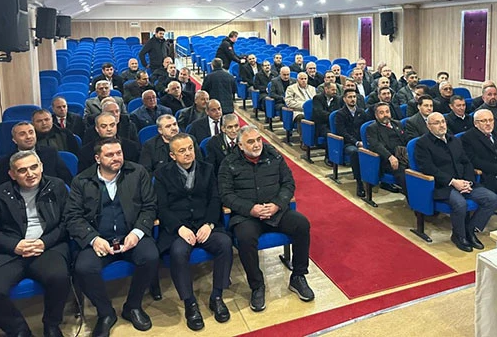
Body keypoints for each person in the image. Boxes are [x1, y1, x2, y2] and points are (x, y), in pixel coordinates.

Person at [66, 137, 159, 336]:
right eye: (109, 155)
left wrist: (137, 233)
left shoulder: (137, 172)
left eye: (119, 153)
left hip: (130, 234)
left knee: (150, 256)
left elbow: (149, 206)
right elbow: (73, 217)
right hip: (100, 239)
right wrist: (93, 239)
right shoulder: (81, 181)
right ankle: (105, 313)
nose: (116, 158)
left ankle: (133, 306)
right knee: (84, 268)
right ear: (97, 158)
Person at [219, 125, 314, 312]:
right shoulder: (229, 163)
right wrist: (251, 209)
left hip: (276, 210)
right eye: (250, 142)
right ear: (240, 145)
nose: (256, 145)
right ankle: (257, 286)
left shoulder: (274, 156)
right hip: (247, 216)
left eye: (258, 140)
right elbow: (225, 194)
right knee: (245, 237)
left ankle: (298, 276)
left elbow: (288, 183)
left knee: (302, 224)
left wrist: (277, 204)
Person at [0, 151, 70, 337]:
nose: (30, 173)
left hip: (47, 247)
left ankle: (51, 324)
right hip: (10, 251)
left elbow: (67, 222)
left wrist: (44, 242)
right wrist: (15, 245)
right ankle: (19, 330)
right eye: (22, 170)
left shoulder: (57, 186)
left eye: (34, 167)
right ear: (12, 174)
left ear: (41, 167)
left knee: (59, 278)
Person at [154, 133, 232, 331]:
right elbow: (162, 208)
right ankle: (190, 303)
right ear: (172, 155)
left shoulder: (207, 169)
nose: (188, 153)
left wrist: (209, 224)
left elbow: (215, 199)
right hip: (179, 228)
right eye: (182, 151)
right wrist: (179, 228)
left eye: (190, 148)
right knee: (178, 252)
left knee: (224, 243)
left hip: (204, 224)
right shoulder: (162, 174)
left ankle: (217, 296)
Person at [414, 113, 497, 252]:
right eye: (437, 123)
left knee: (492, 199)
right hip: (442, 186)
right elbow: (428, 168)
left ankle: (470, 230)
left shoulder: (454, 140)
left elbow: (466, 162)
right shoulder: (422, 144)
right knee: (460, 204)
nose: (441, 125)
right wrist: (453, 182)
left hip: (464, 182)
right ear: (428, 126)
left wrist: (468, 182)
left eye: (443, 122)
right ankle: (459, 236)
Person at [0, 121, 73, 193]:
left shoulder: (50, 153)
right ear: (14, 140)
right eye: (22, 134)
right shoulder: (4, 163)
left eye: (31, 132)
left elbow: (67, 179)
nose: (28, 137)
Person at [365, 103, 408, 194]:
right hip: (387, 160)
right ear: (376, 115)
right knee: (404, 174)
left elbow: (406, 140)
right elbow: (375, 145)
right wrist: (390, 157)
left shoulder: (397, 124)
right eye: (382, 113)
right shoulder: (372, 128)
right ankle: (413, 200)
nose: (385, 115)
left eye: (387, 112)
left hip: (403, 156)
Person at [334, 89, 367, 197]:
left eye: (354, 97)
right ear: (344, 99)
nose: (353, 99)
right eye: (350, 97)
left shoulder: (361, 112)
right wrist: (356, 142)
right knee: (355, 152)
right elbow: (342, 132)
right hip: (347, 143)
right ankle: (359, 182)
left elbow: (366, 129)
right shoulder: (340, 114)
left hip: (362, 142)